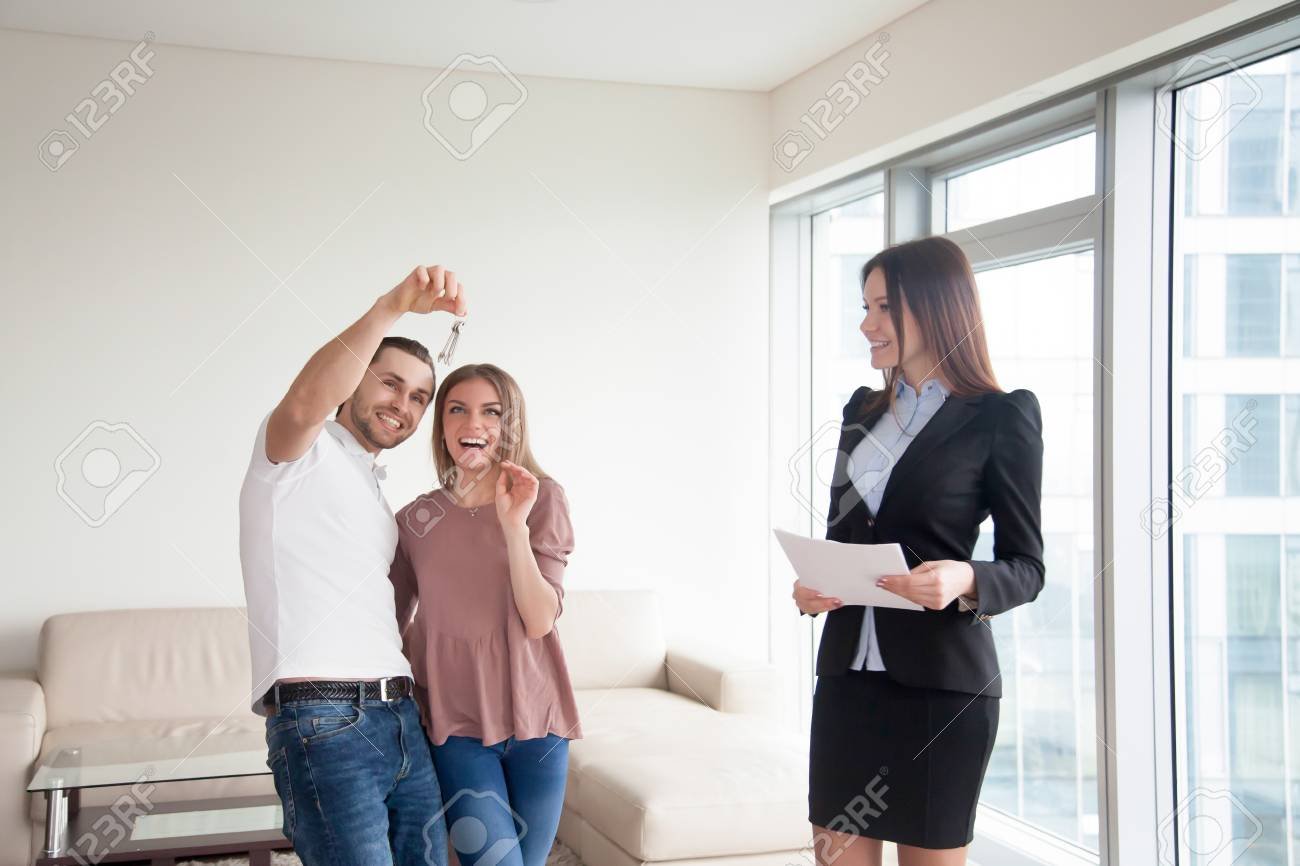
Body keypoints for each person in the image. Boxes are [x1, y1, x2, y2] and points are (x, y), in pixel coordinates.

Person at [793, 236, 1045, 866]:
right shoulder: (861, 412)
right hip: (849, 682)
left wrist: (964, 579)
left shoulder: (1000, 418)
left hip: (943, 693)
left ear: (932, 308)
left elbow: (1027, 567)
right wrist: (812, 585)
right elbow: (841, 535)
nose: (866, 323)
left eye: (882, 307)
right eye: (865, 305)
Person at [238, 264, 467, 866]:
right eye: (390, 383)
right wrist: (393, 306)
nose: (404, 405)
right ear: (355, 377)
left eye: (420, 397)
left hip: (400, 717)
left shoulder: (374, 493)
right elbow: (310, 397)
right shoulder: (294, 451)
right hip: (324, 718)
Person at [389, 363, 580, 866]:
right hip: (458, 732)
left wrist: (514, 525)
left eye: (490, 412)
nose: (473, 423)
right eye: (458, 409)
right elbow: (388, 622)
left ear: (510, 422)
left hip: (539, 726)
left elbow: (539, 619)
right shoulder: (415, 520)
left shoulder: (543, 498)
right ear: (442, 425)